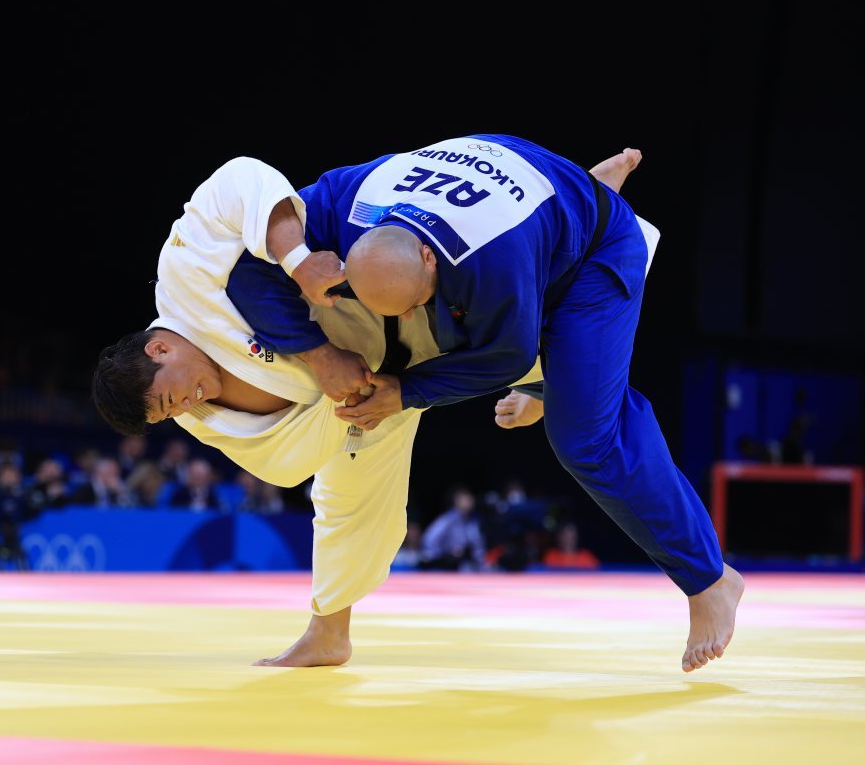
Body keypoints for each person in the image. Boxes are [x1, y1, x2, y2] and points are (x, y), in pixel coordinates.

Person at [91, 146, 634, 666]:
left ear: (159, 347)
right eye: (171, 414)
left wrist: (299, 262)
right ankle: (328, 633)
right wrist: (351, 399)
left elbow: (243, 180)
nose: (187, 406)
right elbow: (281, 463)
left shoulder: (185, 274)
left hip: (376, 272)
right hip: (380, 383)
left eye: (172, 395)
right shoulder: (201, 414)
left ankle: (584, 202)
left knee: (517, 311)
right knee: (344, 501)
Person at [269, 133, 740, 673]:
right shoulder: (339, 200)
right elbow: (264, 234)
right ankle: (583, 195)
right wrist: (299, 262)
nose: (404, 318)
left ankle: (710, 579)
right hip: (512, 185)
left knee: (585, 438)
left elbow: (506, 357)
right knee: (461, 317)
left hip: (591, 252)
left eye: (413, 299)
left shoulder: (491, 261)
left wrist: (406, 393)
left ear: (427, 255)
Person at [420, 484, 487, 572]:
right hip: (448, 566)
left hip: (469, 566)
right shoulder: (447, 520)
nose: (469, 501)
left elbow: (478, 546)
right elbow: (429, 539)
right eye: (465, 499)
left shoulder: (473, 521)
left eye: (470, 498)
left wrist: (481, 561)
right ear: (456, 500)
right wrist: (442, 556)